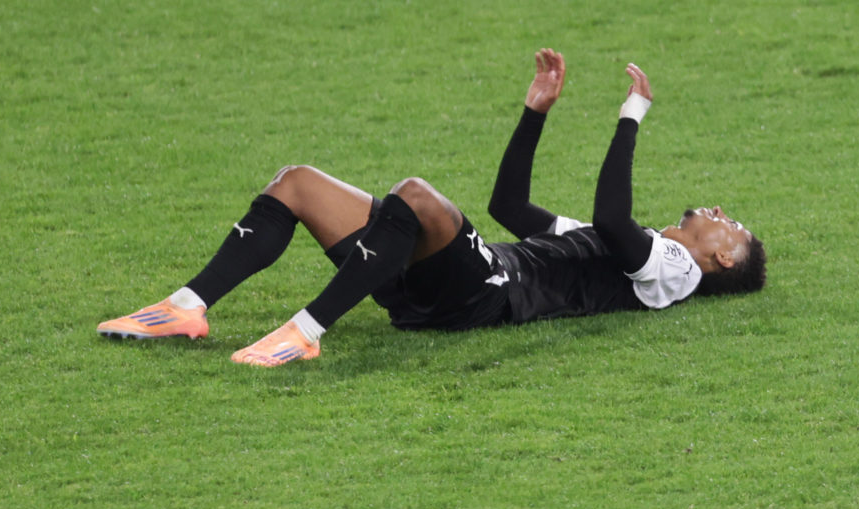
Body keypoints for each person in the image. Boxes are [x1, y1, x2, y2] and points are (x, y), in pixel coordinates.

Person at [97, 49, 766, 366]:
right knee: (297, 182)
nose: (720, 213)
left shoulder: (677, 272)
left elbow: (614, 220)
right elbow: (511, 206)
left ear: (722, 261)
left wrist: (631, 115)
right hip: (457, 282)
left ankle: (305, 331)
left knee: (416, 195)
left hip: (490, 295)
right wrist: (535, 113)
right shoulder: (631, 248)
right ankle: (187, 308)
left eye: (732, 227)